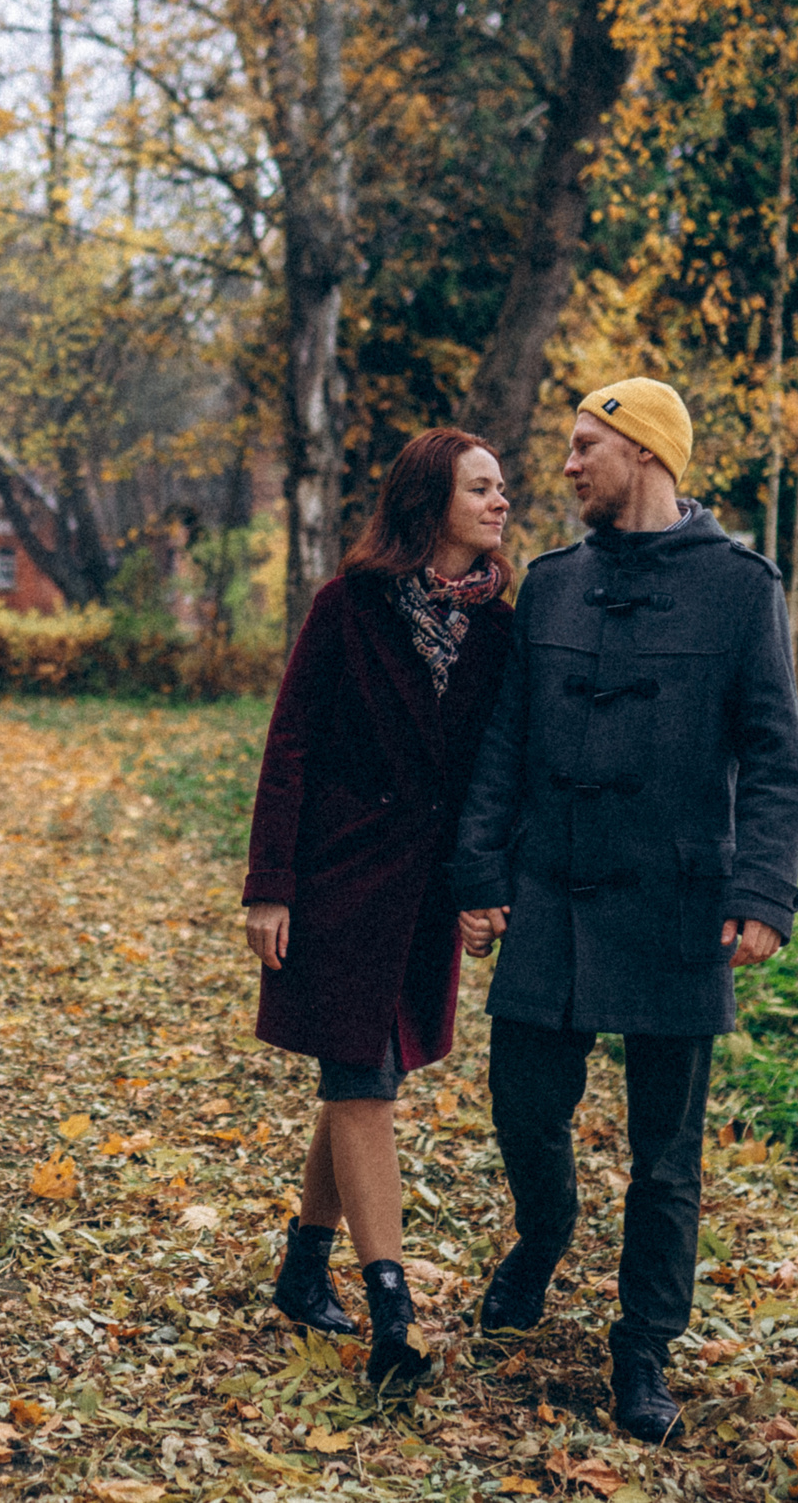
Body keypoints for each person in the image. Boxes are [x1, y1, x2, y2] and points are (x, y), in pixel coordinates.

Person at [450, 378, 798, 1443]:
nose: (563, 469)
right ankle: (542, 1235)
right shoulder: (552, 586)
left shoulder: (742, 590)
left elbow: (775, 762)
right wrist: (478, 870)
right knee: (522, 1103)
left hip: (679, 904)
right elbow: (503, 746)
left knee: (665, 1157)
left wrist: (761, 891)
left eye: (582, 448)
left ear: (645, 455)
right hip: (551, 891)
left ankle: (642, 1349)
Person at [243, 428, 515, 1386]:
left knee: (364, 1064)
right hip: (338, 879)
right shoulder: (348, 604)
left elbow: (495, 774)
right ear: (429, 501)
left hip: (427, 891)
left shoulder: (499, 625)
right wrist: (270, 884)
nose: (500, 502)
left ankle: (304, 1266)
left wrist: (485, 886)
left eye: (501, 489)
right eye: (480, 488)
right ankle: (391, 1307)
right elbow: (292, 745)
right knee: (364, 1077)